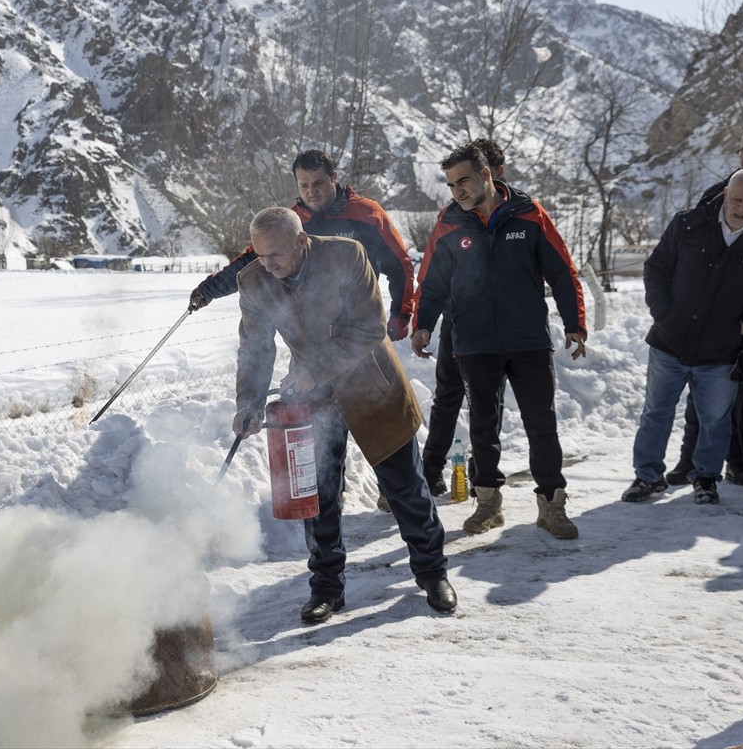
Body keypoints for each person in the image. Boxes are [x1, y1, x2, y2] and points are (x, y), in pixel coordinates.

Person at [232, 207, 455, 622]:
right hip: (313, 400)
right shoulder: (254, 281)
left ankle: (432, 573)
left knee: (405, 488)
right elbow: (255, 348)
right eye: (260, 256)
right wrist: (249, 401)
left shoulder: (347, 256)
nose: (269, 264)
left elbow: (369, 328)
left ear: (301, 241)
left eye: (276, 254)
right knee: (317, 498)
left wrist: (312, 370)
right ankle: (327, 588)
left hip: (371, 384)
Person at [411, 142, 587, 539]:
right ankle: (488, 503)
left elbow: (562, 272)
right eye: (451, 184)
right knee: (483, 426)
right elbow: (433, 282)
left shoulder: (529, 214)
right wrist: (423, 324)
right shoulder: (450, 223)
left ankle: (552, 506)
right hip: (474, 342)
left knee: (542, 424)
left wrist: (576, 323)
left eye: (464, 180)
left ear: (487, 174)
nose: (457, 190)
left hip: (528, 340)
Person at [622, 168, 743, 505]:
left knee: (715, 419)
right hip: (669, 343)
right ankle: (647, 477)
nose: (741, 207)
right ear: (725, 193)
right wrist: (663, 313)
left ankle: (706, 478)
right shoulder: (688, 223)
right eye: (737, 198)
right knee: (655, 412)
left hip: (722, 351)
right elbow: (656, 268)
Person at [188, 149, 415, 342]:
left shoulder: (368, 214)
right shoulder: (291, 222)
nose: (311, 191)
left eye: (318, 183)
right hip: (311, 328)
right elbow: (252, 261)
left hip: (361, 323)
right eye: (303, 185)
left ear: (334, 177)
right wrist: (209, 290)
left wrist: (400, 315)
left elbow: (400, 266)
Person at [664, 124, 743, 487]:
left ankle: (740, 462)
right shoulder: (719, 193)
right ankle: (691, 461)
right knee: (704, 390)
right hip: (713, 318)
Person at [419, 137, 506, 496]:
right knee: (447, 398)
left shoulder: (515, 213)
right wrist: (423, 322)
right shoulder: (450, 218)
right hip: (457, 324)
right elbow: (431, 274)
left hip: (497, 329)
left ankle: (480, 473)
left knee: (488, 403)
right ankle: (430, 471)